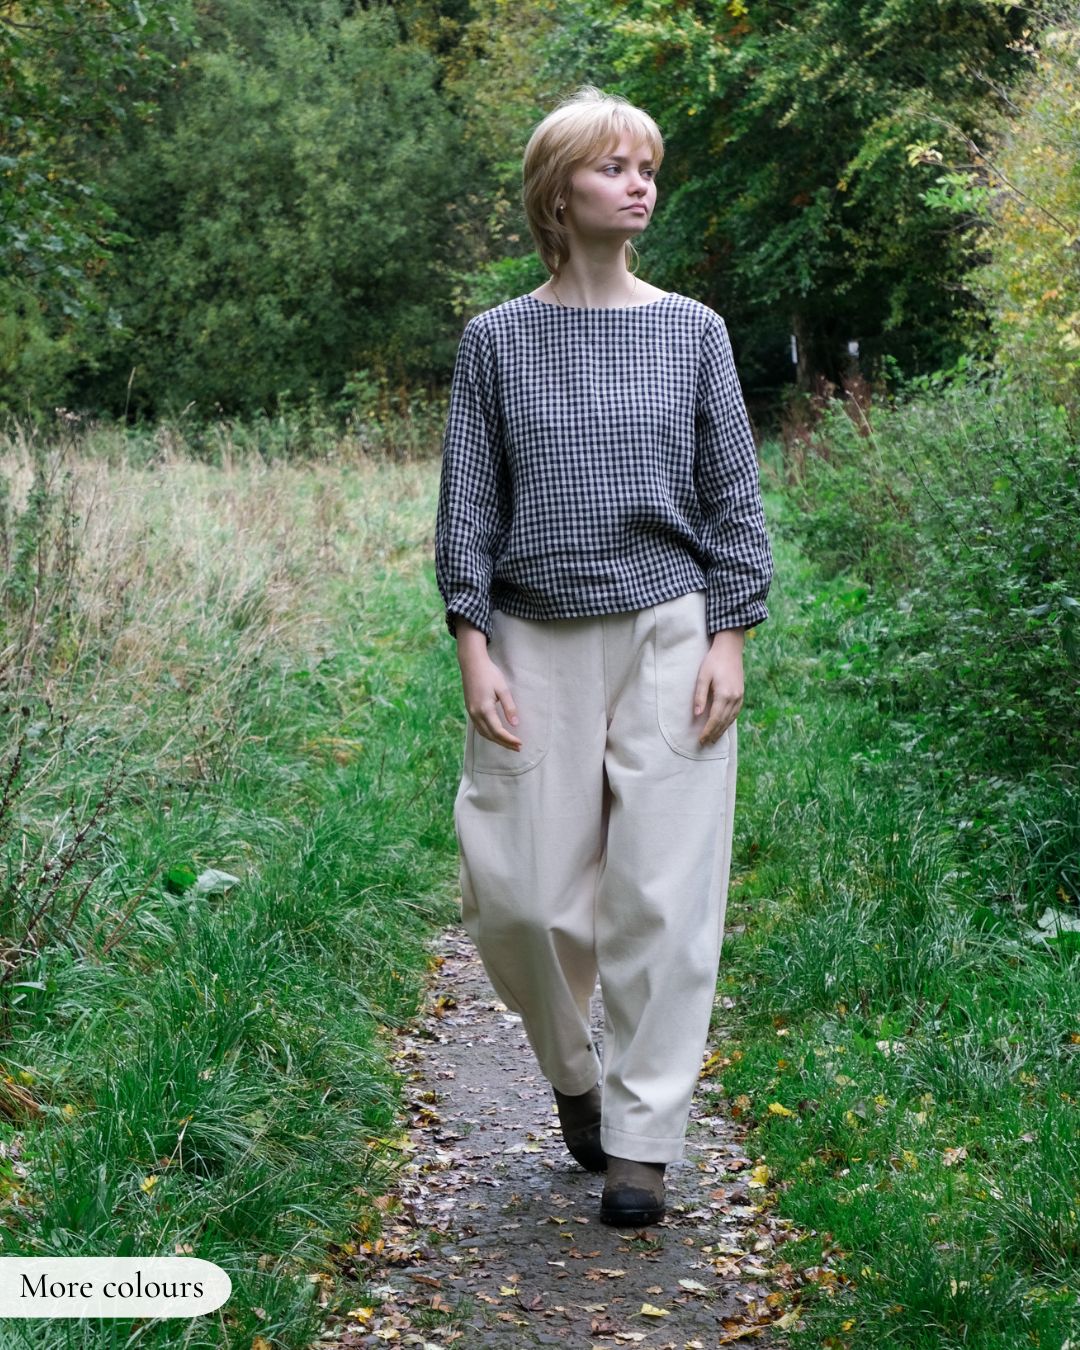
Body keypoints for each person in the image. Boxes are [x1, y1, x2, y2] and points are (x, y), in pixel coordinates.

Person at [434, 84, 774, 1228]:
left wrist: (731, 633)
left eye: (648, 166)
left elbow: (734, 500)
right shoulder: (496, 341)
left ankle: (640, 1143)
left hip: (672, 631)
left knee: (662, 898)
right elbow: (468, 509)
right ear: (556, 193)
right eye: (614, 166)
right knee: (521, 898)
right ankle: (577, 1078)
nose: (641, 182)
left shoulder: (694, 332)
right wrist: (473, 647)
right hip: (532, 636)